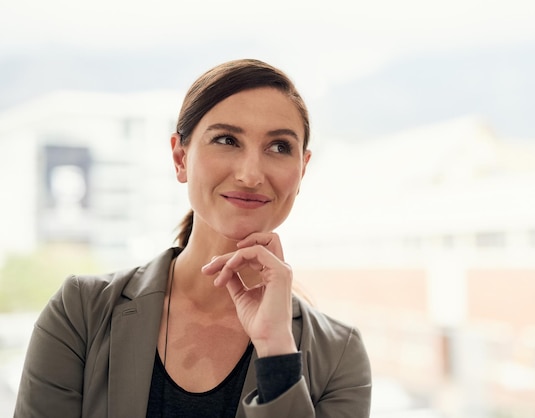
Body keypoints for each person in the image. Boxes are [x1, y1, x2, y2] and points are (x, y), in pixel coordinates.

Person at [13, 59, 372, 417]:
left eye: (279, 147)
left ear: (302, 169)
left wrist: (276, 351)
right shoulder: (82, 313)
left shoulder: (340, 355)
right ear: (180, 157)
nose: (250, 174)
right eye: (227, 140)